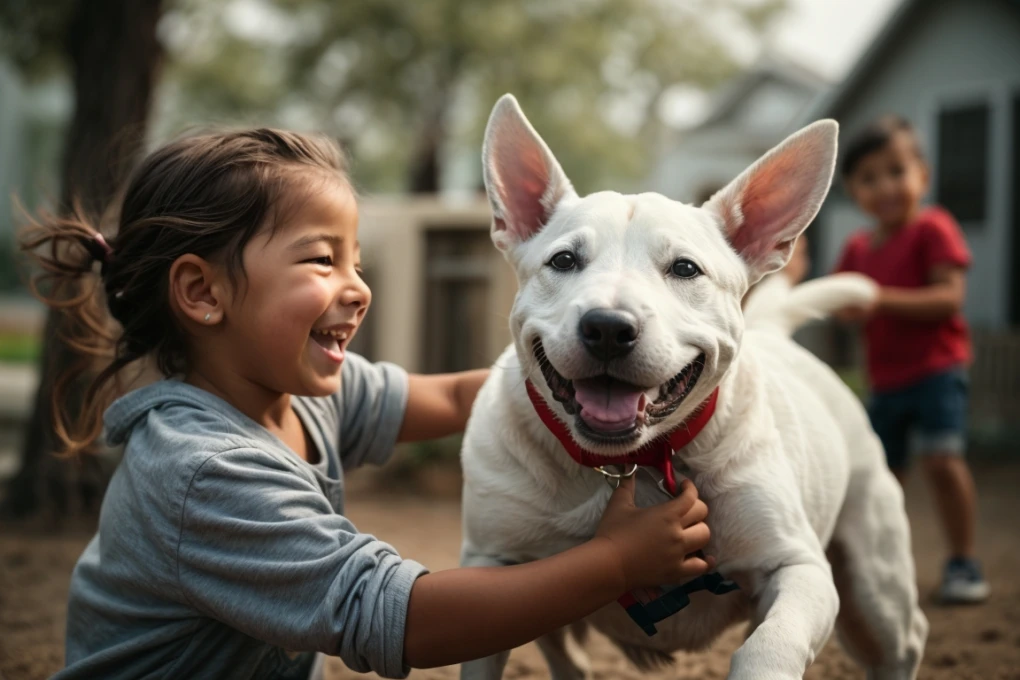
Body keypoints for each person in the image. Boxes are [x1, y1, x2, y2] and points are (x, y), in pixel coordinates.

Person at [21, 128, 713, 679]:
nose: (358, 287)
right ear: (203, 294)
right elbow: (404, 619)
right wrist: (616, 563)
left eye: (357, 260)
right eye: (323, 260)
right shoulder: (203, 471)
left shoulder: (296, 395)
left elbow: (459, 395)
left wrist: (582, 382)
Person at [833, 115, 989, 604]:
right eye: (868, 178)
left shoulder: (932, 228)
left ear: (923, 173)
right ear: (852, 191)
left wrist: (877, 300)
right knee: (882, 479)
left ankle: (963, 562)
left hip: (938, 372)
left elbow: (948, 298)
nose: (885, 187)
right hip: (886, 381)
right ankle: (882, 567)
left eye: (896, 171)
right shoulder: (857, 248)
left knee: (943, 461)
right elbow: (842, 302)